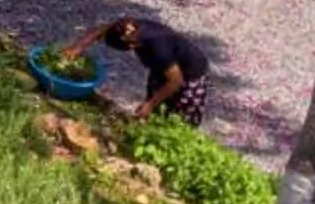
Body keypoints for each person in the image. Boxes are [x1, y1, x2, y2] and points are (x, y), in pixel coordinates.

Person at [65, 15, 212, 124]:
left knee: (180, 118)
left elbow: (176, 81)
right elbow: (103, 29)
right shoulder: (126, 27)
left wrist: (150, 104)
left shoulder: (158, 47)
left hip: (190, 74)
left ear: (131, 46)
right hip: (163, 69)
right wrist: (77, 47)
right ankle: (150, 124)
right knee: (156, 107)